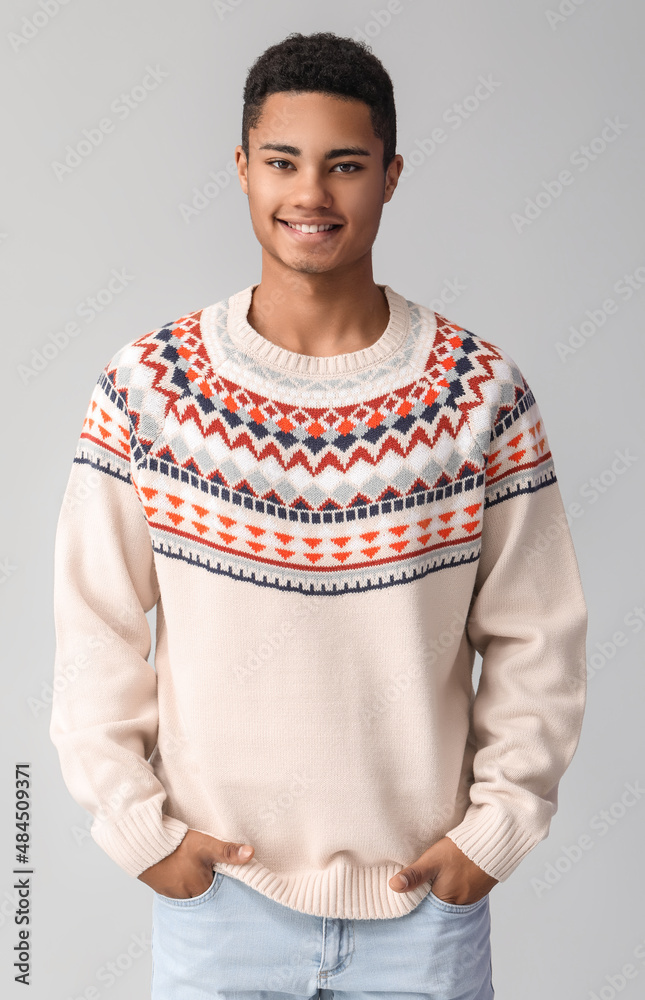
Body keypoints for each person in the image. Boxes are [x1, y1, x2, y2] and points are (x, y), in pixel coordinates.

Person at [50, 30, 588, 1000]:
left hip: (421, 909)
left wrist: (494, 832)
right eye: (284, 161)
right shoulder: (147, 390)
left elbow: (537, 634)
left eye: (345, 165)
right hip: (220, 906)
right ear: (243, 168)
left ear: (390, 174)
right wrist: (141, 832)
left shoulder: (479, 395)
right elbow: (95, 627)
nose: (312, 194)